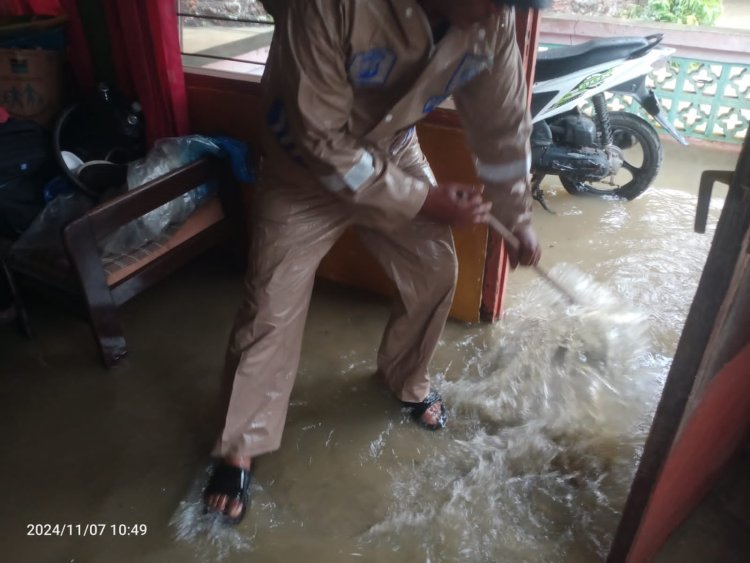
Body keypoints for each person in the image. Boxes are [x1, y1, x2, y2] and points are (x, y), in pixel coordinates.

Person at [203, 0, 541, 524]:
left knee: (434, 269)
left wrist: (517, 216)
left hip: (393, 152)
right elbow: (318, 139)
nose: (501, 12)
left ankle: (405, 377)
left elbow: (504, 125)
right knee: (270, 305)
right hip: (301, 170)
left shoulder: (490, 22)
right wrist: (427, 201)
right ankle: (239, 446)